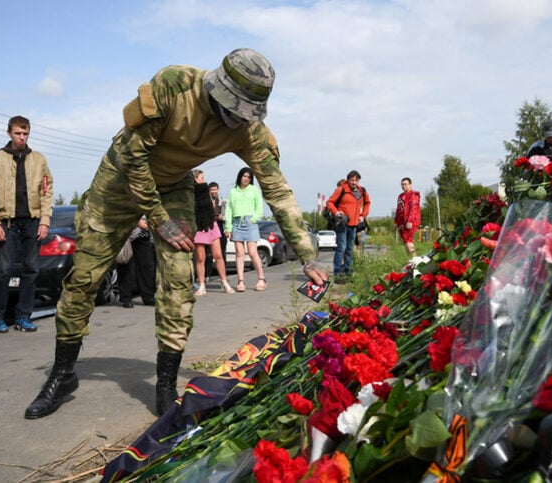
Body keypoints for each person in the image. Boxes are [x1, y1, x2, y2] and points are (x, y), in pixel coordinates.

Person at [24, 48, 328, 420]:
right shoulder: (174, 85)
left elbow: (278, 190)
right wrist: (159, 219)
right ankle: (62, 373)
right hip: (120, 180)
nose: (235, 122)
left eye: (244, 115)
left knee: (180, 281)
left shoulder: (249, 130)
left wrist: (307, 253)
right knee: (85, 277)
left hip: (173, 187)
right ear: (218, 91)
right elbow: (135, 158)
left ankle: (166, 385)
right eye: (232, 110)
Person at [0, 116, 54, 333]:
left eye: (25, 134)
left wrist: (45, 221)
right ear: (9, 133)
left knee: (31, 269)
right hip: (7, 222)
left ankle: (23, 316)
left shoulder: (39, 159)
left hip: (32, 222)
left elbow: (46, 191)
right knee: (4, 270)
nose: (22, 137)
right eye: (18, 133)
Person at [224, 167, 267, 292]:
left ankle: (261, 279)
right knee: (239, 254)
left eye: (249, 177)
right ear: (240, 177)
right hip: (237, 222)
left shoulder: (254, 190)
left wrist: (253, 219)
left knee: (253, 253)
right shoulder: (233, 191)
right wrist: (228, 227)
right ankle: (241, 281)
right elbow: (229, 210)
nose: (246, 179)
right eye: (244, 176)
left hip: (250, 222)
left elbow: (259, 207)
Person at [192, 170, 234, 295]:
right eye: (201, 178)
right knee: (200, 258)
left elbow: (211, 207)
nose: (204, 180)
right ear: (195, 179)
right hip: (199, 227)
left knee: (218, 255)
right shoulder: (191, 193)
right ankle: (202, 285)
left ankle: (224, 282)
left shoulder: (206, 190)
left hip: (211, 225)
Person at [325, 170, 370, 282]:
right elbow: (330, 202)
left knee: (349, 249)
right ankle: (338, 274)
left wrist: (363, 215)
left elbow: (368, 203)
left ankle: (349, 273)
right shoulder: (341, 189)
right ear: (348, 180)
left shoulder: (362, 191)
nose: (354, 182)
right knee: (341, 248)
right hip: (342, 224)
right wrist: (336, 212)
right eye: (352, 180)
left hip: (354, 224)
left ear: (359, 180)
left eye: (356, 180)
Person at [117, 217, 156, 308]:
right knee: (125, 265)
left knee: (147, 266)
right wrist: (137, 221)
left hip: (143, 235)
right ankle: (126, 298)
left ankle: (148, 297)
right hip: (126, 234)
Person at [204, 181, 228, 280]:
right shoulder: (206, 202)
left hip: (220, 227)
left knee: (222, 252)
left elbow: (228, 216)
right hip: (209, 228)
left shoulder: (223, 201)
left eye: (215, 190)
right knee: (208, 253)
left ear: (218, 190)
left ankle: (222, 275)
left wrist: (222, 218)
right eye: (211, 190)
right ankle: (207, 275)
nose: (213, 192)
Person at [395, 177, 421, 255]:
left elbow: (414, 208)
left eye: (406, 184)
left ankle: (415, 260)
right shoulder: (400, 196)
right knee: (405, 241)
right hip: (402, 222)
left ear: (410, 185)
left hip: (411, 221)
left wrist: (410, 220)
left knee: (408, 240)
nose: (404, 186)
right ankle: (410, 260)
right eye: (402, 184)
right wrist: (396, 221)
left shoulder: (414, 194)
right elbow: (398, 209)